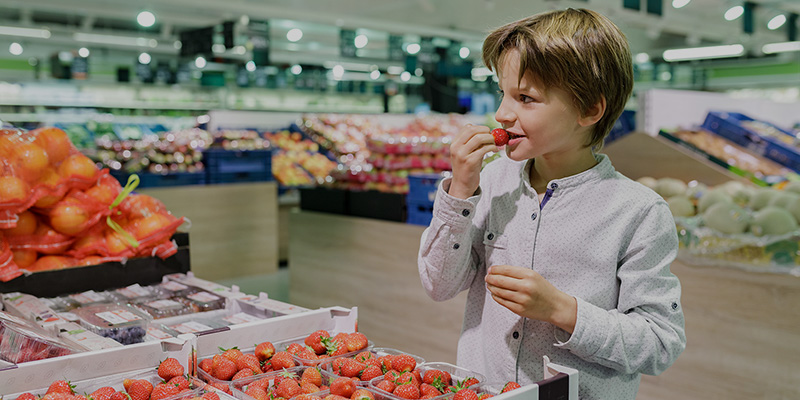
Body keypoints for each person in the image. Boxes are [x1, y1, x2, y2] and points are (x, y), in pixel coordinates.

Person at [417, 8, 686, 399]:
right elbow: (438, 285)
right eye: (503, 93)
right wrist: (460, 188)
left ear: (590, 109)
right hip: (483, 390)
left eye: (526, 98)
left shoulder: (639, 212)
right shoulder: (491, 182)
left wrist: (563, 309)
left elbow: (660, 343)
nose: (501, 114)